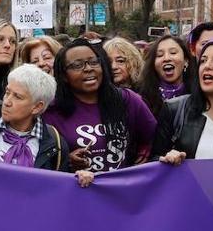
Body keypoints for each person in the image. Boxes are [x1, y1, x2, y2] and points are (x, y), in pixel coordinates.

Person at [44, 41, 157, 172]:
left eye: (93, 62)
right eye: (77, 65)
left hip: (122, 189)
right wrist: (65, 160)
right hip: (76, 190)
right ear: (64, 75)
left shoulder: (128, 100)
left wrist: (144, 152)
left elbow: (154, 135)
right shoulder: (51, 111)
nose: (88, 68)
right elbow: (42, 160)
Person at [0, 63, 94, 186]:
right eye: (7, 92)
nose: (7, 101)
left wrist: (78, 177)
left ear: (37, 107)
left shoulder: (55, 142)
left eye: (18, 97)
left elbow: (59, 187)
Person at [140, 35, 195, 118]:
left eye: (173, 53)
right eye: (159, 55)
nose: (166, 58)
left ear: (186, 60)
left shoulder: (197, 94)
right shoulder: (141, 98)